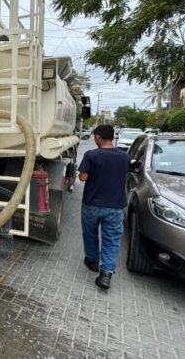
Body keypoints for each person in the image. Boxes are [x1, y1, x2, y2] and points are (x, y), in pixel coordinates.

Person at [77, 124, 131, 289]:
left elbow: (83, 178)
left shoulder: (91, 155)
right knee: (112, 239)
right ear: (112, 137)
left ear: (98, 137)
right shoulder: (124, 157)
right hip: (115, 206)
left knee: (90, 234)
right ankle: (106, 274)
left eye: (95, 136)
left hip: (92, 204)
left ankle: (92, 261)